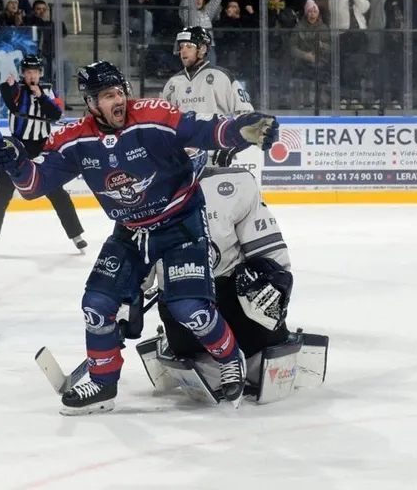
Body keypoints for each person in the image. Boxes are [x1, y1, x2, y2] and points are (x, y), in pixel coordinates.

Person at [0, 61, 279, 415]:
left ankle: (231, 359)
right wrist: (15, 162)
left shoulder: (154, 115)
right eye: (108, 96)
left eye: (119, 92)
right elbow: (35, 184)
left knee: (190, 309)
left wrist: (239, 130)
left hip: (180, 223)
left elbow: (203, 130)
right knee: (96, 305)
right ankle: (103, 382)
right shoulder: (74, 138)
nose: (118, 100)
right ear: (91, 102)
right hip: (130, 231)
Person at [136, 149, 328, 404]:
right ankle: (224, 360)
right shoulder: (140, 194)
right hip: (187, 314)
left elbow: (272, 259)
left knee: (255, 368)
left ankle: (227, 359)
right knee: (229, 372)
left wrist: (272, 285)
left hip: (226, 309)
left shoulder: (231, 186)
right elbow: (136, 271)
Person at [0, 54, 87, 255]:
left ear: (40, 73)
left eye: (35, 72)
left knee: (57, 192)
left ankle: (76, 235)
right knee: (1, 193)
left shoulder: (47, 90)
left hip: (43, 148)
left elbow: (55, 114)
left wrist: (40, 95)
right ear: (22, 73)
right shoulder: (16, 89)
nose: (31, 76)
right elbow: (10, 102)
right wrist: (7, 86)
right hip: (17, 148)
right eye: (28, 72)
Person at [162, 26, 254, 167]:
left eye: (189, 46)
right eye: (181, 46)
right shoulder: (172, 83)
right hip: (182, 161)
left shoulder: (221, 77)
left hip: (213, 158)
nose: (183, 50)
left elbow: (247, 118)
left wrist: (230, 148)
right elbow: (163, 124)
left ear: (203, 49)